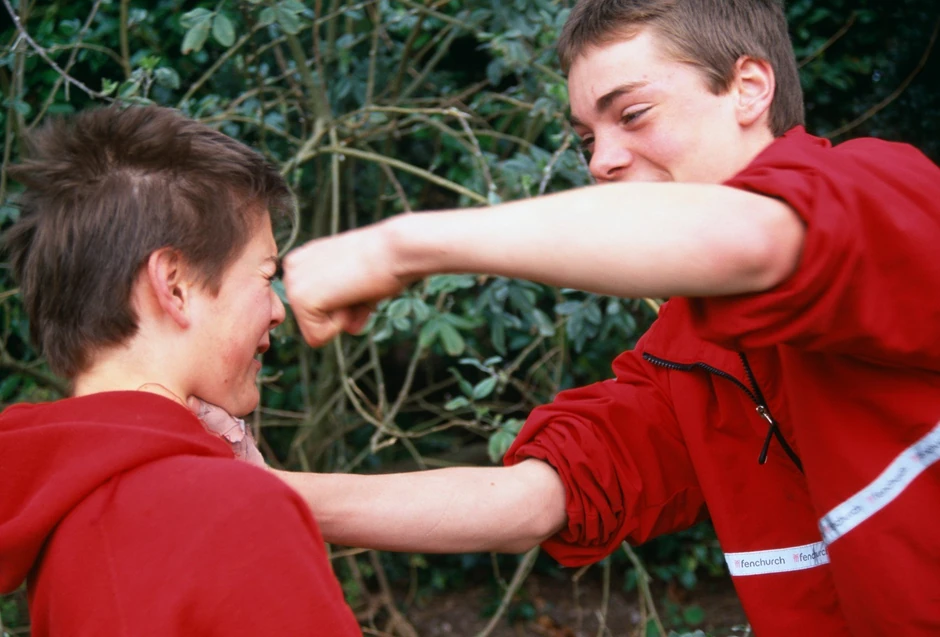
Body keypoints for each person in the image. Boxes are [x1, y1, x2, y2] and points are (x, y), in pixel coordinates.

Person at [186, 0, 940, 635]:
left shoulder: (885, 191)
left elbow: (753, 239)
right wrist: (263, 489)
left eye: (632, 114)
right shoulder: (683, 358)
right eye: (586, 139)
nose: (601, 160)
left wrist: (402, 246)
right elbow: (532, 500)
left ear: (748, 88)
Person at [0, 106, 360, 636]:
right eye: (265, 276)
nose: (278, 310)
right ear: (174, 285)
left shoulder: (55, 508)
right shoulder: (233, 513)